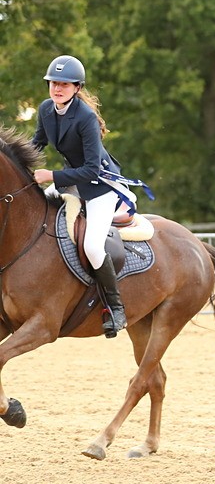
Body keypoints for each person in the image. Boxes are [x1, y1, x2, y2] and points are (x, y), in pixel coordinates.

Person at [32, 54, 151, 338]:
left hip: (99, 187)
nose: (57, 88)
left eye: (64, 84)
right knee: (34, 213)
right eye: (53, 83)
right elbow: (36, 145)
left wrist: (51, 176)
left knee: (94, 247)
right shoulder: (46, 109)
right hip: (72, 181)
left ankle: (116, 309)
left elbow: (91, 169)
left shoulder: (85, 118)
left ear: (77, 87)